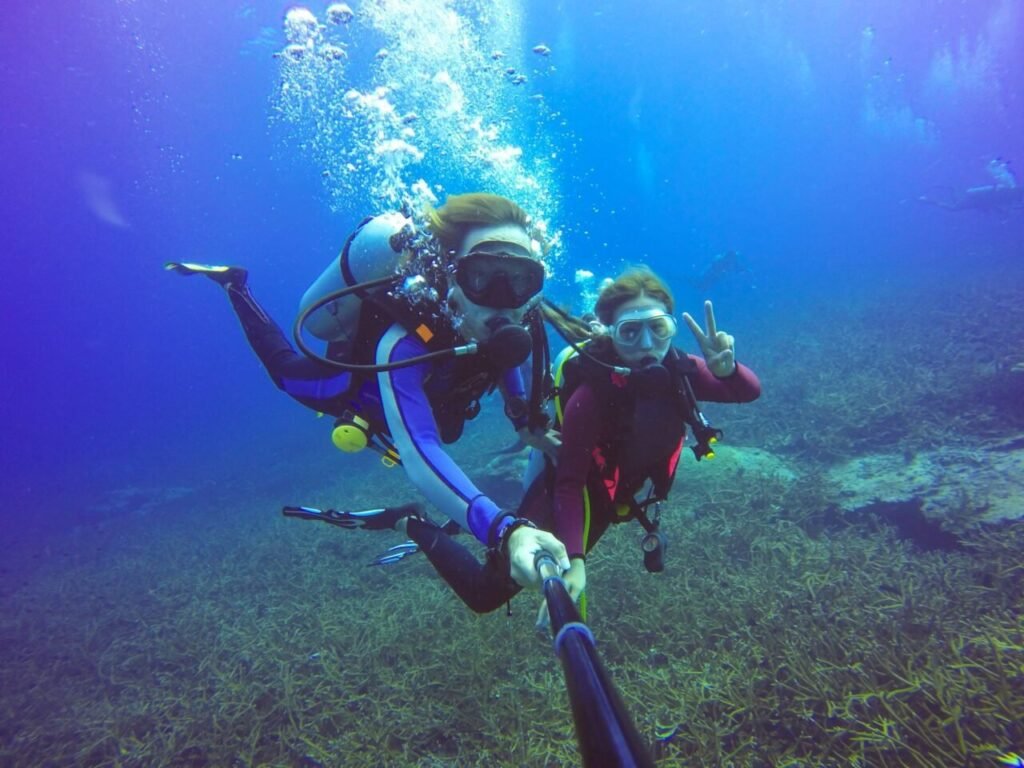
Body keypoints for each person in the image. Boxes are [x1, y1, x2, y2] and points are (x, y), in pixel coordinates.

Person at [166, 192, 568, 587]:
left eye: (520, 279)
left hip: (440, 392)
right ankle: (236, 287)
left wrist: (523, 421)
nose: (502, 300)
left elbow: (503, 360)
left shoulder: (521, 319)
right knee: (286, 374)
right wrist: (504, 530)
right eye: (481, 275)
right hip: (355, 386)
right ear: (451, 274)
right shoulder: (402, 344)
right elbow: (420, 449)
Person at [320, 266, 760, 617]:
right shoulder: (593, 392)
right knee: (485, 595)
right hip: (570, 495)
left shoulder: (683, 371)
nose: (647, 345)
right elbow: (568, 482)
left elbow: (746, 391)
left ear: (670, 329)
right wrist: (577, 557)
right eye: (630, 332)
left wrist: (726, 369)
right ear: (609, 332)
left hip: (613, 497)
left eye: (658, 329)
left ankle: (491, 516)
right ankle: (410, 522)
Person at [918, 157, 1023, 213]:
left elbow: (993, 199)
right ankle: (929, 200)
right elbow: (992, 197)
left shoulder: (1008, 191)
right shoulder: (1007, 191)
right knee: (953, 208)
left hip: (977, 198)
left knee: (955, 205)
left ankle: (949, 190)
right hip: (975, 198)